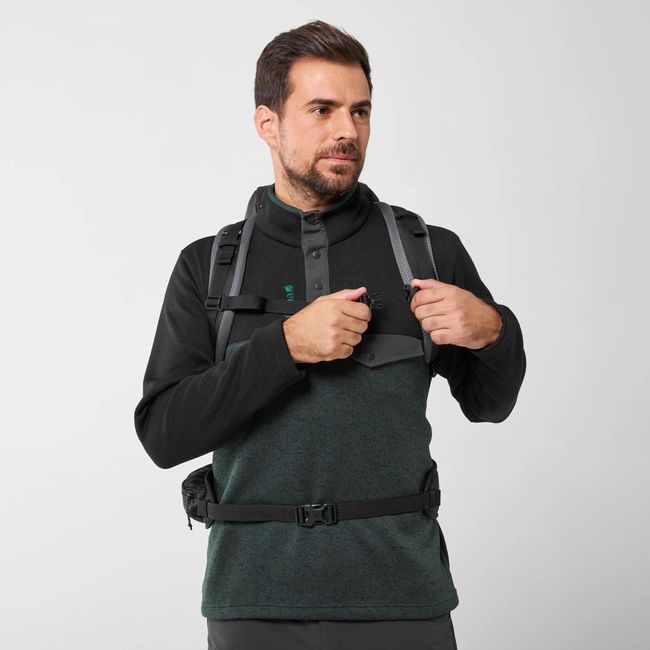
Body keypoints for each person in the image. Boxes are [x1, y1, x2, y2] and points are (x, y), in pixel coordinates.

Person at [134, 19, 526, 650]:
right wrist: (284, 347)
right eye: (322, 110)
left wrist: (494, 330)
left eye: (360, 111)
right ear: (268, 124)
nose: (348, 130)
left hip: (404, 596)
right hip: (253, 600)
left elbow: (490, 405)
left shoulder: (427, 251)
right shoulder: (207, 264)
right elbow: (163, 435)